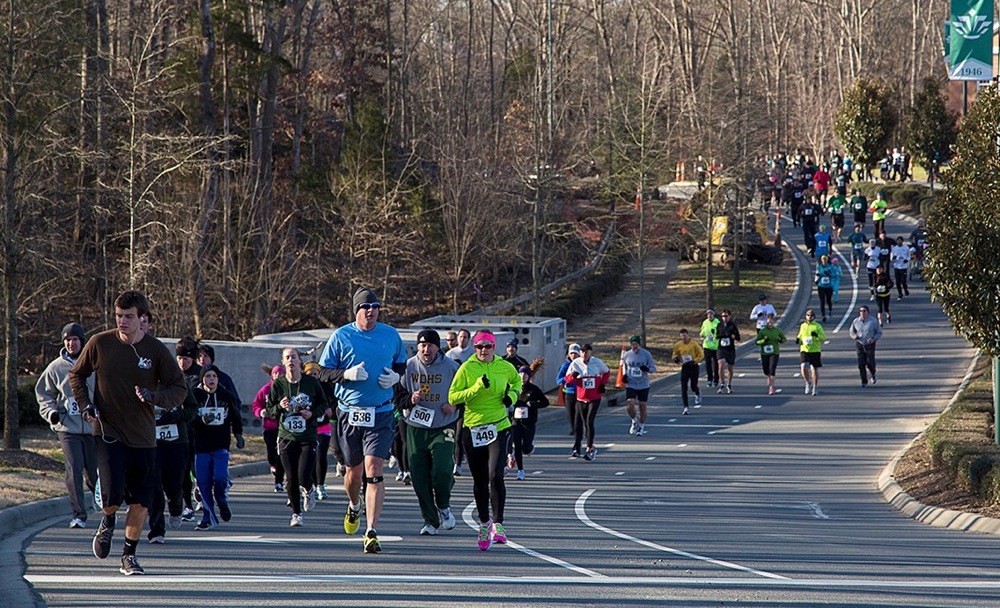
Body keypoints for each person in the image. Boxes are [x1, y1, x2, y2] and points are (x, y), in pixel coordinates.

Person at [69, 290, 188, 576]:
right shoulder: (100, 343)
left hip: (144, 436)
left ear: (142, 318)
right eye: (119, 316)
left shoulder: (156, 350)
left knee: (141, 501)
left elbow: (179, 389)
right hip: (108, 431)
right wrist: (86, 405)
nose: (122, 322)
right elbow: (77, 374)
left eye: (129, 317)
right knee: (110, 495)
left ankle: (129, 555)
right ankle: (107, 521)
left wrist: (153, 396)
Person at [318, 287, 407, 554]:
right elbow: (322, 372)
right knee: (353, 472)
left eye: (375, 307)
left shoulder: (390, 335)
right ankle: (354, 505)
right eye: (365, 307)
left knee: (374, 468)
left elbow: (401, 364)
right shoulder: (341, 336)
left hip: (380, 412)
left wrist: (397, 378)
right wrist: (345, 375)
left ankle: (371, 531)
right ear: (356, 310)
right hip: (350, 414)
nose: (371, 311)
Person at [448, 330, 521, 551]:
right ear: (474, 347)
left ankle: (498, 524)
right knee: (480, 480)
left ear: (494, 347)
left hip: (499, 426)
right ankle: (483, 523)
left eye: (487, 346)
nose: (483, 351)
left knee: (495, 475)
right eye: (479, 346)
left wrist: (512, 397)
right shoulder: (467, 368)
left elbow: (517, 382)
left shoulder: (505, 367)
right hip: (473, 429)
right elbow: (453, 397)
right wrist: (476, 388)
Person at [36, 322, 98, 530]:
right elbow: (44, 395)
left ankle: (104, 507)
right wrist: (52, 413)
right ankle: (79, 514)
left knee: (94, 472)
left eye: (75, 339)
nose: (71, 343)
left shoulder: (95, 364)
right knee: (74, 468)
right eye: (68, 340)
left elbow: (106, 391)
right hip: (67, 428)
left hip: (93, 428)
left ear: (82, 341)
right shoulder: (55, 367)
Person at [399, 329, 460, 536]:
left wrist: (454, 405)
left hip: (444, 424)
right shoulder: (407, 367)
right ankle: (430, 520)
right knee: (419, 477)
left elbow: (464, 393)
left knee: (442, 470)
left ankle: (443, 505)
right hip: (416, 427)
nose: (426, 349)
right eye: (423, 345)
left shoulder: (452, 367)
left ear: (438, 347)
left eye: (431, 345)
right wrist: (410, 399)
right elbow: (396, 395)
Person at [266, 347, 328, 527]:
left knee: (303, 475)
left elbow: (323, 403)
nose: (291, 360)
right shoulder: (278, 385)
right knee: (291, 477)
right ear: (283, 363)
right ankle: (296, 513)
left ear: (299, 362)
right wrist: (279, 406)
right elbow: (270, 410)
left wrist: (312, 413)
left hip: (308, 435)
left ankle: (308, 490)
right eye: (287, 358)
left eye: (294, 357)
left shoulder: (311, 382)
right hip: (286, 436)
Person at [190, 365, 244, 530]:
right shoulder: (195, 396)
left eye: (214, 376)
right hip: (200, 446)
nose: (211, 379)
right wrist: (201, 420)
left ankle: (221, 500)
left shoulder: (225, 395)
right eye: (207, 376)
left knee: (220, 478)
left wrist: (238, 434)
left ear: (218, 379)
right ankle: (208, 517)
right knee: (203, 483)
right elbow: (189, 417)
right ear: (202, 379)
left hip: (221, 445)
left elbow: (235, 416)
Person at [565, 343, 609, 461]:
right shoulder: (575, 364)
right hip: (581, 398)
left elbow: (606, 371)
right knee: (580, 423)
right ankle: (577, 447)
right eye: (582, 352)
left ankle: (590, 448)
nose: (584, 354)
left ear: (591, 352)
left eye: (587, 352)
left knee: (589, 422)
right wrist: (573, 377)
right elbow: (567, 380)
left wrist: (602, 384)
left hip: (594, 397)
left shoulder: (597, 362)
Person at [303, 360, 339, 500]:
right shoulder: (303, 386)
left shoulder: (325, 385)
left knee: (320, 455)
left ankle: (320, 485)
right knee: (308, 457)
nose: (313, 376)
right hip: (307, 428)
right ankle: (309, 484)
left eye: (316, 373)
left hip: (323, 426)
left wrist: (330, 408)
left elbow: (335, 399)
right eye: (310, 374)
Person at [509, 359, 548, 480]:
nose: (522, 376)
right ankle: (520, 471)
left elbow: (545, 402)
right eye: (520, 374)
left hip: (529, 422)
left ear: (529, 376)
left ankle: (530, 446)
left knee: (525, 448)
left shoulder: (533, 389)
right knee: (517, 446)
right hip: (516, 422)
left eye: (525, 374)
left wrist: (534, 404)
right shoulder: (514, 388)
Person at [251, 364, 286, 492]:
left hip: (284, 428)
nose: (277, 376)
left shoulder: (287, 389)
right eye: (275, 373)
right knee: (272, 454)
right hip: (269, 427)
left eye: (280, 373)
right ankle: (273, 465)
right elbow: (256, 405)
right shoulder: (265, 390)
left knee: (281, 454)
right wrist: (260, 412)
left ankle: (279, 482)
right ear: (271, 375)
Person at [621, 335, 656, 436]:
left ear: (639, 345)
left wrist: (647, 369)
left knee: (642, 406)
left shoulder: (646, 354)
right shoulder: (627, 355)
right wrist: (624, 376)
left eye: (636, 344)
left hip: (643, 384)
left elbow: (653, 368)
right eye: (632, 344)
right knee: (629, 404)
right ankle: (634, 420)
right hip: (631, 383)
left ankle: (642, 425)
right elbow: (624, 366)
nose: (634, 346)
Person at [849, 306, 883, 387]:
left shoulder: (873, 321)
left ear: (867, 312)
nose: (862, 313)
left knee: (870, 363)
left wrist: (873, 339)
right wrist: (854, 336)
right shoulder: (856, 321)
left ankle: (873, 373)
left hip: (870, 344)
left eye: (864, 311)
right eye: (860, 311)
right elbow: (851, 331)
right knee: (861, 364)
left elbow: (879, 332)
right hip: (860, 344)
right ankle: (864, 381)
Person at [671, 329, 703, 415]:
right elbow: (674, 354)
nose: (683, 338)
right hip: (685, 367)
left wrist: (694, 361)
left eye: (684, 335)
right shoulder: (678, 345)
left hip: (693, 367)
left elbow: (701, 355)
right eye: (681, 336)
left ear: (688, 335)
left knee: (693, 386)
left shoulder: (694, 344)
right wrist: (675, 359)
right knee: (684, 388)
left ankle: (697, 392)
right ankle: (686, 407)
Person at [796, 309, 826, 396]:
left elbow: (823, 338)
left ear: (814, 317)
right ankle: (807, 382)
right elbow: (801, 334)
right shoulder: (803, 326)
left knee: (814, 369)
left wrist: (816, 336)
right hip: (805, 349)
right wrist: (798, 339)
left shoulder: (817, 326)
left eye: (811, 316)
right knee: (803, 366)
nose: (809, 317)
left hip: (815, 350)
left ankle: (815, 387)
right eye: (808, 315)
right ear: (806, 316)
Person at [754, 313, 786, 395]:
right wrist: (763, 341)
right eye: (768, 323)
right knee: (766, 370)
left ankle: (771, 387)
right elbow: (757, 342)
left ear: (773, 322)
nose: (769, 324)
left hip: (774, 352)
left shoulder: (777, 330)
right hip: (765, 352)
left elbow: (784, 339)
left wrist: (780, 340)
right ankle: (768, 376)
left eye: (771, 322)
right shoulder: (762, 331)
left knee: (772, 368)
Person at [556, 343, 582, 436]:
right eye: (572, 353)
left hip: (581, 393)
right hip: (569, 392)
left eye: (576, 353)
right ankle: (573, 429)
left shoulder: (583, 365)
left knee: (580, 412)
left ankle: (579, 428)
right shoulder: (565, 366)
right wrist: (569, 378)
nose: (574, 356)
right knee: (571, 413)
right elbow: (558, 380)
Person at [715, 310, 740, 393]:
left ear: (729, 316)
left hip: (730, 349)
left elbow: (738, 337)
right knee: (721, 364)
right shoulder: (719, 325)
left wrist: (733, 336)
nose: (724, 318)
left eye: (726, 316)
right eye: (723, 316)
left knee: (730, 367)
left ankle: (729, 384)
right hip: (721, 348)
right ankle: (722, 383)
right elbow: (717, 335)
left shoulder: (733, 325)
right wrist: (723, 335)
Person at [699, 310, 721, 388]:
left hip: (716, 346)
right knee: (708, 364)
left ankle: (716, 379)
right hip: (707, 346)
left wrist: (716, 335)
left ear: (713, 315)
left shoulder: (717, 322)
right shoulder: (705, 322)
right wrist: (702, 335)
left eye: (711, 314)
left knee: (716, 364)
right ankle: (709, 379)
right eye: (708, 314)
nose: (709, 316)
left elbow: (720, 332)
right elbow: (702, 331)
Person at [815, 255, 835, 322]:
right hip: (821, 286)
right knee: (822, 301)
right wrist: (817, 279)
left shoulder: (830, 267)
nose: (824, 261)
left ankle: (830, 309)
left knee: (828, 300)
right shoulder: (819, 267)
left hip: (829, 286)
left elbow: (834, 275)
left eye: (825, 260)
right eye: (823, 260)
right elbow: (817, 274)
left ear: (827, 260)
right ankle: (823, 315)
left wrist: (829, 274)